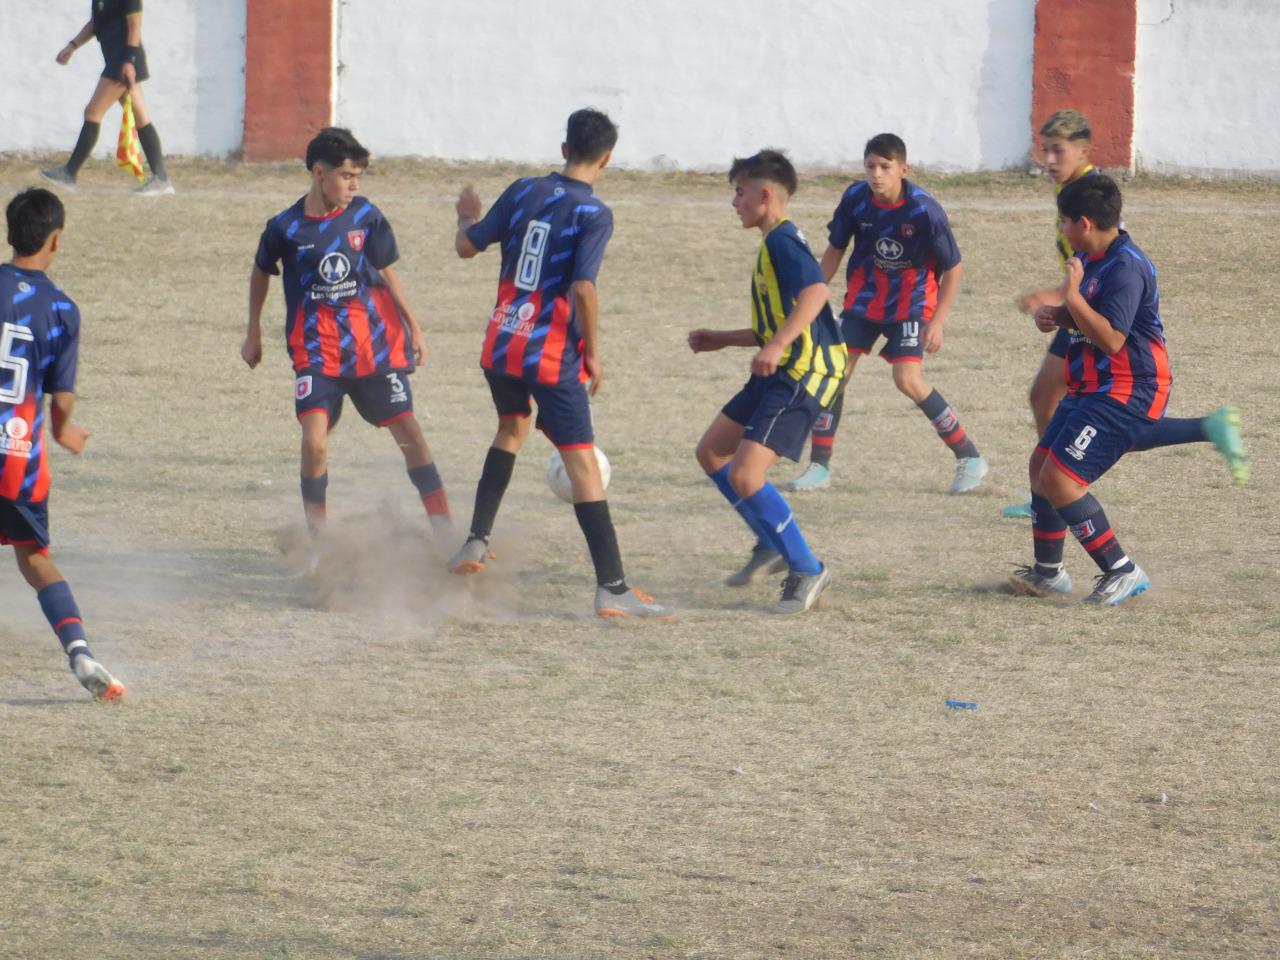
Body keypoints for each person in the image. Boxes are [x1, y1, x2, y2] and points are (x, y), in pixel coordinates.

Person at [448, 108, 670, 619]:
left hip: (503, 342)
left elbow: (466, 246)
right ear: (607, 159)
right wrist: (591, 351)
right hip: (549, 354)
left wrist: (466, 214)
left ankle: (476, 540)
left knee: (511, 428)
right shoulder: (595, 214)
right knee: (582, 463)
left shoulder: (523, 190)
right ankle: (612, 588)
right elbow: (584, 286)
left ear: (564, 148)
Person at [1001, 109, 1247, 518]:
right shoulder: (1073, 192)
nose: (1048, 159)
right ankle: (1050, 485)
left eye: (1057, 150)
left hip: (1100, 310)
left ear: (1083, 150)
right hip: (1085, 306)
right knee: (1077, 406)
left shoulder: (1090, 195)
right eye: (1044, 150)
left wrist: (1059, 298)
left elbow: (1109, 263)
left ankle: (1052, 486)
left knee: (1094, 408)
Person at [242, 127, 451, 558]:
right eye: (346, 175)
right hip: (317, 351)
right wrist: (253, 331)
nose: (354, 185)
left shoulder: (365, 216)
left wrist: (415, 328)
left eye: (358, 176)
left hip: (373, 347)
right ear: (319, 173)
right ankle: (319, 546)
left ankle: (448, 534)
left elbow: (388, 273)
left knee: (410, 432)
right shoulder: (285, 227)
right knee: (315, 440)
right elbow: (261, 272)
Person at [786, 134, 988, 494]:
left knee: (907, 379)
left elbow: (953, 268)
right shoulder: (855, 199)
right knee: (834, 374)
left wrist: (938, 322)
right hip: (864, 302)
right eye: (870, 167)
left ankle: (969, 456)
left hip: (911, 305)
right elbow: (834, 250)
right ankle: (819, 467)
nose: (876, 175)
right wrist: (813, 295)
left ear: (903, 170)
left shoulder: (925, 211)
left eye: (885, 167)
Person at [690, 150, 846, 614]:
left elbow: (816, 292)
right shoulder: (772, 243)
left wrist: (777, 347)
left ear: (764, 194)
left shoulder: (782, 241)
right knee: (712, 451)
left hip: (803, 372)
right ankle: (769, 542)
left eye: (739, 192)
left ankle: (807, 568)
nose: (734, 202)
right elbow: (777, 323)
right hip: (779, 366)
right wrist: (724, 339)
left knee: (745, 473)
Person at [1010, 173, 1167, 604]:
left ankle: (1122, 570)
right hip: (1094, 388)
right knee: (1040, 465)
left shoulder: (1126, 267)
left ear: (1083, 222)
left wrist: (1073, 301)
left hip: (1127, 391)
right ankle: (1049, 573)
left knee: (1061, 479)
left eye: (1062, 221)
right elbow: (1087, 317)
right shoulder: (1095, 257)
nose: (1060, 229)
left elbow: (1113, 338)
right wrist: (1059, 316)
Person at [2, 188, 125, 700]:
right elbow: (63, 397)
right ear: (56, 239)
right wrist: (63, 430)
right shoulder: (62, 309)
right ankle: (80, 651)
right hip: (18, 460)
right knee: (34, 559)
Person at [40, 0, 174, 196]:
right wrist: (72, 46)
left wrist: (129, 61)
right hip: (116, 60)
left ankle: (69, 173)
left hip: (123, 62)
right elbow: (96, 23)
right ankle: (161, 179)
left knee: (93, 112)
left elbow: (135, 25)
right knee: (141, 118)